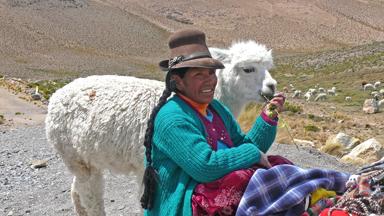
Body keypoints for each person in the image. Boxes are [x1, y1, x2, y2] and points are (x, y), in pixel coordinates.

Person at [140, 29, 286, 216]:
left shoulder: (216, 109)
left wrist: (268, 117)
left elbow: (247, 148)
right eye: (199, 75)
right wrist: (250, 153)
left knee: (280, 169)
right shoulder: (172, 119)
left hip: (214, 194)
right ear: (178, 81)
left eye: (211, 73)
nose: (210, 80)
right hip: (185, 205)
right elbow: (205, 166)